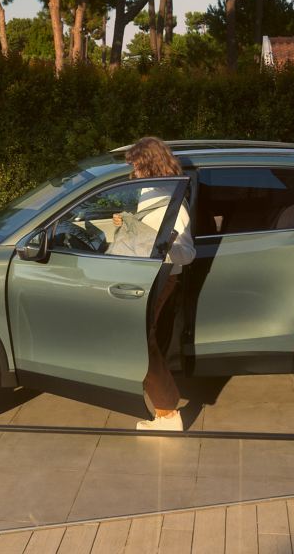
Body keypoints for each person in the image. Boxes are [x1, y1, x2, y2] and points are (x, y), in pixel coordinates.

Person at [113, 137, 196, 431]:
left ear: (147, 163)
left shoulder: (171, 199)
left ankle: (168, 414)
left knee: (140, 344)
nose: (132, 171)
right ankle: (165, 411)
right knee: (142, 341)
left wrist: (161, 244)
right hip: (145, 276)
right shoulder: (149, 192)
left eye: (135, 165)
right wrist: (130, 226)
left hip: (161, 278)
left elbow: (187, 253)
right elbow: (149, 232)